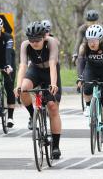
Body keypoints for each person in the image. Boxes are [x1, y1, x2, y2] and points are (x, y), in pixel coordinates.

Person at [15, 21, 63, 159]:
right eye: (31, 40)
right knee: (24, 89)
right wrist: (18, 85)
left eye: (37, 40)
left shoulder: (51, 42)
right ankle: (32, 114)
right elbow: (23, 66)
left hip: (50, 72)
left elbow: (53, 64)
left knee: (52, 106)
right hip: (35, 70)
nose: (34, 43)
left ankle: (56, 146)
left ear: (44, 37)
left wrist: (53, 84)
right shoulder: (25, 45)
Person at [76, 24, 103, 143]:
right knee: (87, 88)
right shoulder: (84, 47)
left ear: (100, 39)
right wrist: (80, 77)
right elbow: (80, 63)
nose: (91, 43)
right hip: (91, 69)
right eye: (89, 40)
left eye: (94, 40)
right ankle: (88, 106)